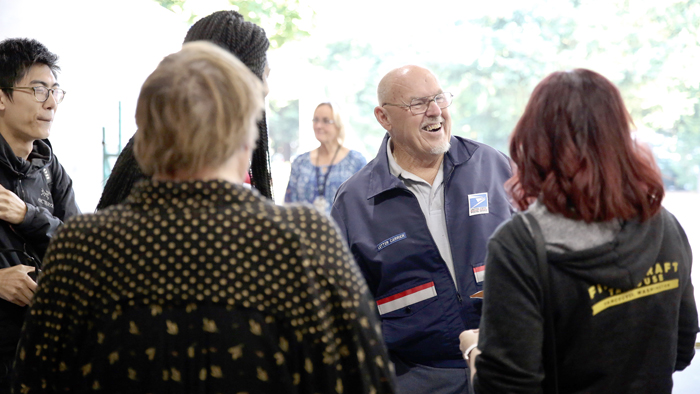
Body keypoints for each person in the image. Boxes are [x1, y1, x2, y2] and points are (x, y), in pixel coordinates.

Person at [13, 41, 396, 394]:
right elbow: (368, 380)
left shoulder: (81, 247)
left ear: (143, 143)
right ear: (247, 140)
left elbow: (31, 383)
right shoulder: (302, 241)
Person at [463, 69, 698, 394]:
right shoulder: (663, 225)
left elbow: (507, 388)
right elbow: (682, 349)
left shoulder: (520, 245)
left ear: (534, 140)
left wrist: (474, 351)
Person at [331, 65, 513, 394]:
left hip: (504, 366)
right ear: (384, 118)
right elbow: (345, 317)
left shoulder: (493, 167)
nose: (435, 112)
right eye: (418, 104)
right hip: (416, 378)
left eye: (440, 99)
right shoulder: (355, 202)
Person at [96, 10, 274, 210]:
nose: (267, 90)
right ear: (241, 87)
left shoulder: (85, 234)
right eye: (264, 76)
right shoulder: (288, 231)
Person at [0, 37, 79, 389]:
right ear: (1, 97)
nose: (51, 103)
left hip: (45, 349)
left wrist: (28, 216)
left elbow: (82, 247)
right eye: (37, 90)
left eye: (55, 91)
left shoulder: (49, 167)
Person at [285, 102, 366, 213]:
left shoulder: (355, 162)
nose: (318, 126)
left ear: (339, 125)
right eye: (316, 120)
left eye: (326, 121)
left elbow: (362, 207)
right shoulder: (300, 162)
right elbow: (289, 206)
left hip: (341, 230)